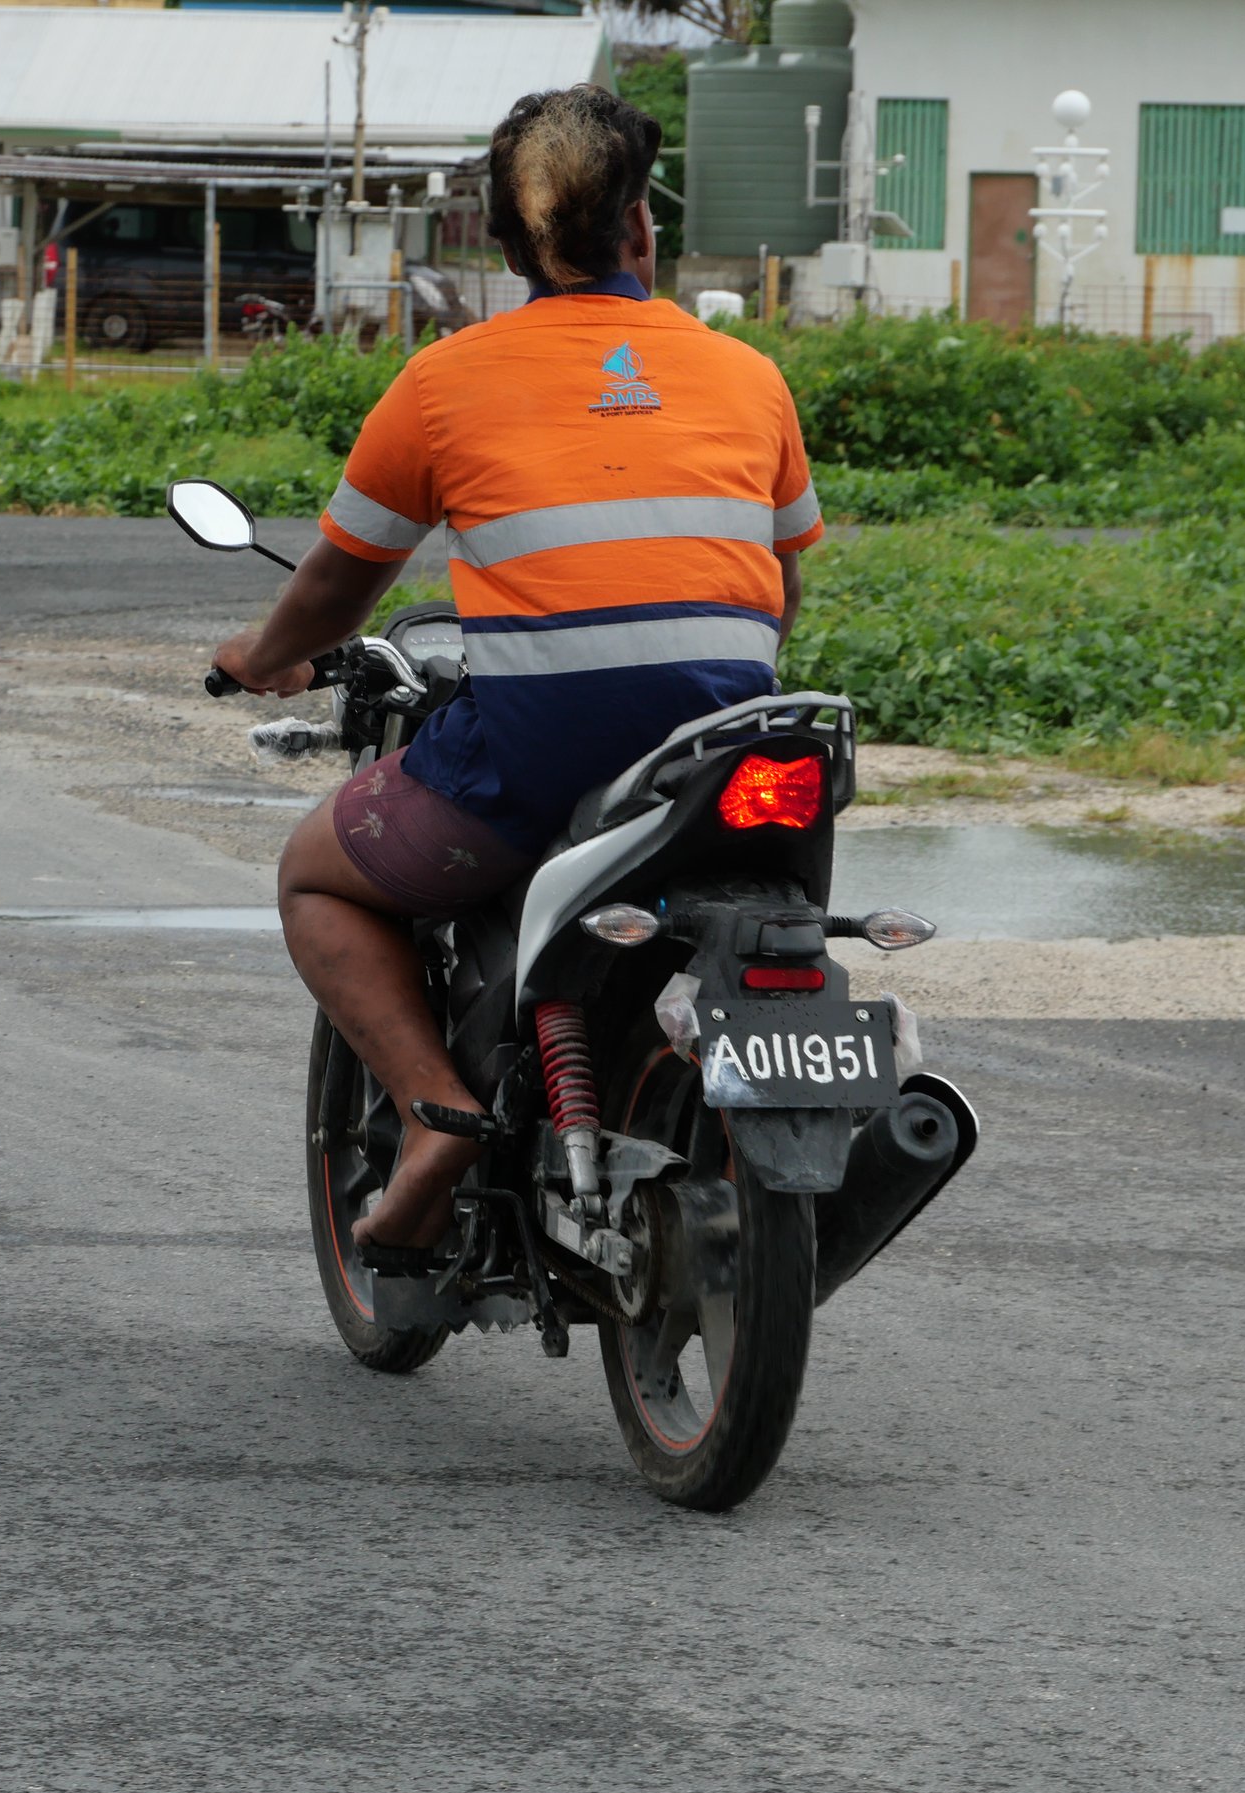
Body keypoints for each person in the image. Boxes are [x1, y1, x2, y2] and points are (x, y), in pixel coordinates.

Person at [212, 84, 826, 1255]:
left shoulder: (445, 383)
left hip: (545, 749)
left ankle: (437, 1117)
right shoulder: (749, 377)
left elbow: (344, 585)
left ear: (499, 249)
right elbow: (783, 585)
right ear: (641, 230)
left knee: (316, 878)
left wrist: (263, 655)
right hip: (726, 751)